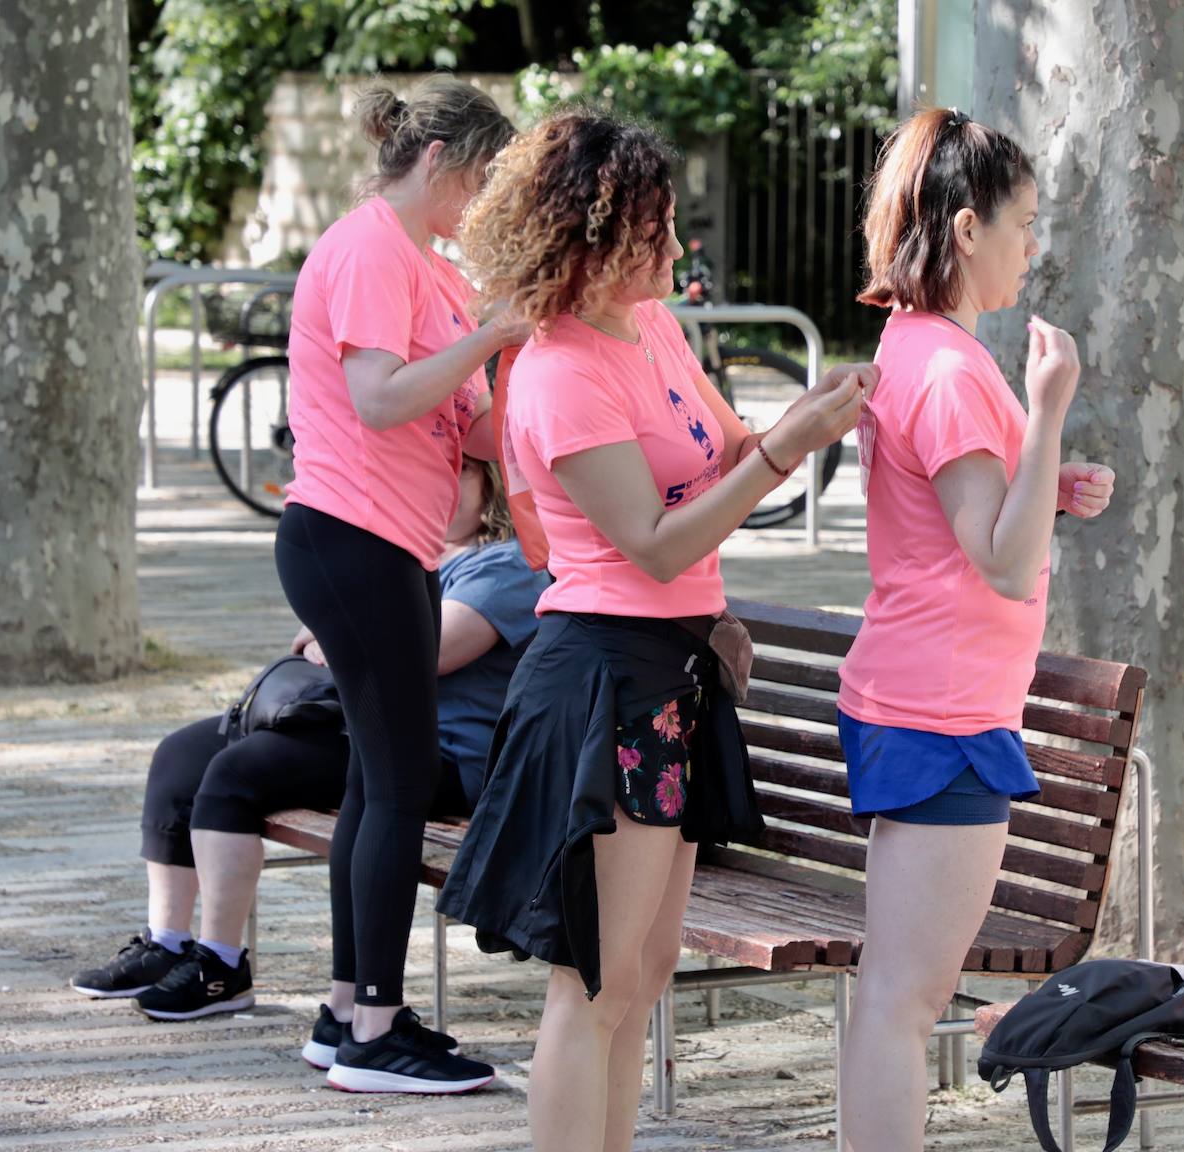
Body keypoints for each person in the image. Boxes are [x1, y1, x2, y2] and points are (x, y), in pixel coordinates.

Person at [435, 110, 879, 1152]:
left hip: (671, 674)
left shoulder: (655, 329)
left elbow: (727, 455)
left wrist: (810, 420)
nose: (677, 252)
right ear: (587, 240)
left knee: (639, 978)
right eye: (654, 232)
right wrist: (787, 450)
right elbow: (654, 544)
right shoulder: (558, 371)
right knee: (591, 981)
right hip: (602, 681)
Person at [834, 107, 1116, 1151]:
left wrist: (1053, 480)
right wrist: (1047, 410)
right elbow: (998, 561)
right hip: (941, 709)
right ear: (964, 229)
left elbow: (973, 523)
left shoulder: (916, 345)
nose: (1029, 245)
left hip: (921, 694)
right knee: (904, 1004)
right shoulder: (953, 368)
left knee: (892, 998)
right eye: (1023, 223)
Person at [70, 460, 548, 1042]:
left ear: (492, 485)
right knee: (181, 756)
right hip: (356, 722)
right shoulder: (413, 555)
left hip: (439, 755)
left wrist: (342, 635)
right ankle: (168, 942)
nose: (437, 488)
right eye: (430, 475)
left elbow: (423, 652)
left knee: (236, 774)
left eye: (459, 477)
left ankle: (222, 964)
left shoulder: (507, 562)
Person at [273, 74, 526, 1094]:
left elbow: (462, 425)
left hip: (393, 547)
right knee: (396, 780)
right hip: (349, 538)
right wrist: (493, 338)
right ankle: (376, 1028)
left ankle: (348, 1015)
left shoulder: (427, 267)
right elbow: (379, 400)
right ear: (439, 164)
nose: (481, 212)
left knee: (376, 783)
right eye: (480, 188)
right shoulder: (371, 247)